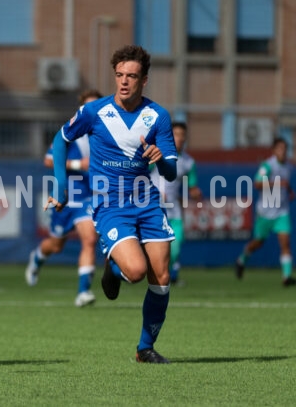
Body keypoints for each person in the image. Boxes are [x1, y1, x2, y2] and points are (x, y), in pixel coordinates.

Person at [46, 45, 178, 363]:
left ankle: (144, 348)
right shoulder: (95, 112)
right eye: (119, 75)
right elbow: (60, 141)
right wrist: (62, 188)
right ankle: (114, 266)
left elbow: (171, 173)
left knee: (160, 278)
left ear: (144, 80)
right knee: (136, 271)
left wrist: (161, 160)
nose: (124, 82)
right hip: (110, 203)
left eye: (131, 76)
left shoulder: (157, 116)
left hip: (147, 202)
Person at [25, 89, 102, 307]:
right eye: (89, 106)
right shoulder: (71, 131)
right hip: (66, 196)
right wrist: (78, 165)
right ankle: (38, 257)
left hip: (88, 197)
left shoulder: (107, 135)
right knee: (56, 245)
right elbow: (49, 161)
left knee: (89, 239)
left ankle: (83, 292)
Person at [236, 137, 295, 286]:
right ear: (274, 150)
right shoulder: (268, 166)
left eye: (285, 149)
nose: (283, 152)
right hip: (265, 212)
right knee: (258, 242)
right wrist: (278, 183)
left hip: (282, 211)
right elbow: (257, 183)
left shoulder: (288, 166)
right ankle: (242, 259)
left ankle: (286, 277)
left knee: (285, 243)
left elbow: (285, 183)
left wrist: (289, 191)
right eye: (280, 149)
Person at [150, 122, 202, 285]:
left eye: (182, 135)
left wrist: (195, 193)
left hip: (174, 211)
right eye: (175, 134)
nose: (179, 138)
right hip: (154, 209)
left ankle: (169, 276)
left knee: (176, 246)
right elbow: (141, 175)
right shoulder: (158, 154)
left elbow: (191, 186)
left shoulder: (188, 162)